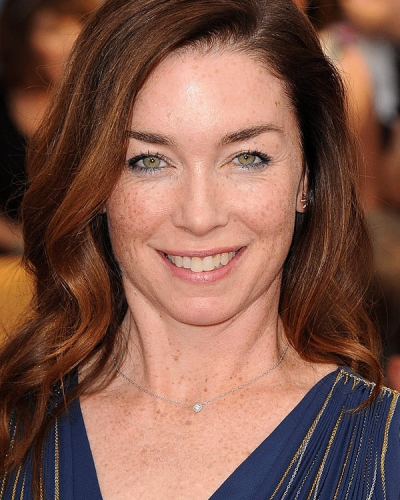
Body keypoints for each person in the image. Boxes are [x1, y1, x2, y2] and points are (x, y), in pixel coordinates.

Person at [0, 0, 399, 498]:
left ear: (307, 178)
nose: (199, 215)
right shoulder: (13, 430)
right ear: (96, 185)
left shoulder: (387, 453)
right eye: (149, 161)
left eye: (247, 157)